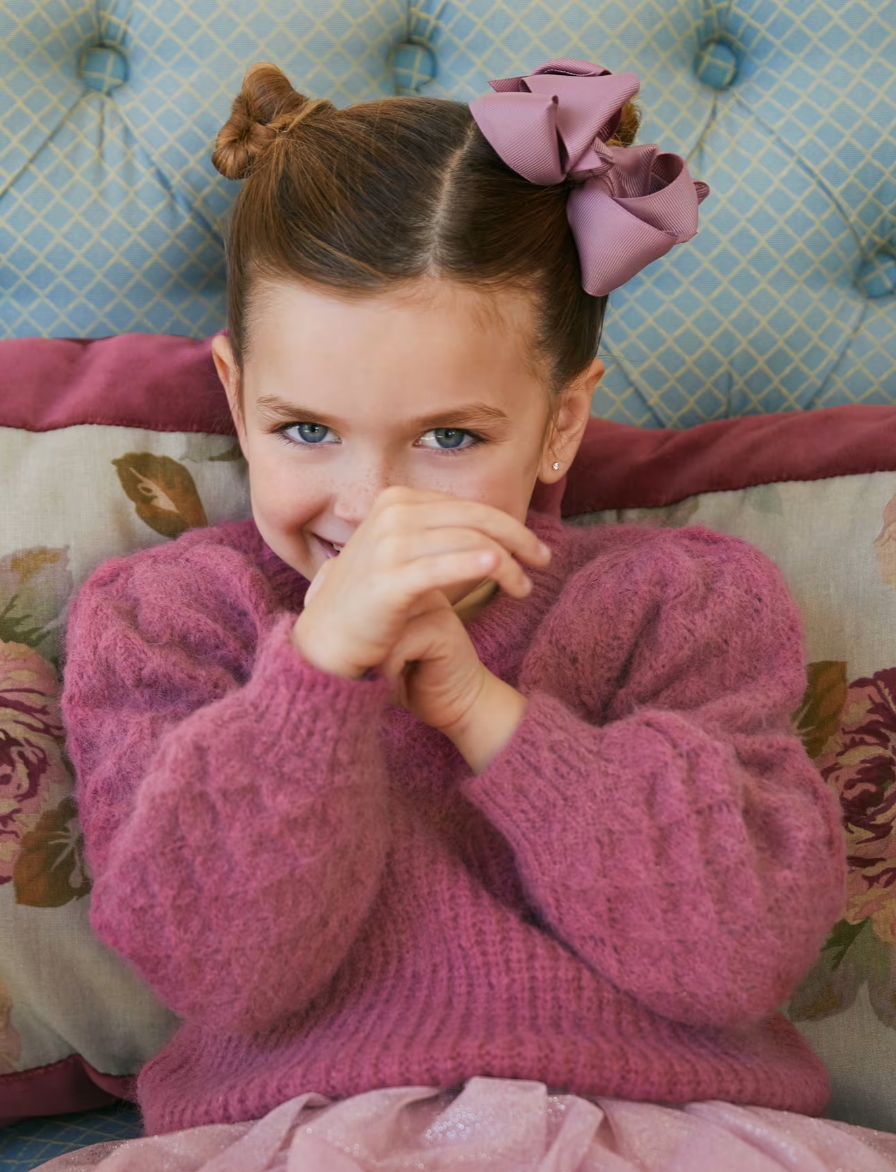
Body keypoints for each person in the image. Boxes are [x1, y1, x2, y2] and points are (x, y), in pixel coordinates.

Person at [45, 57, 896, 1172]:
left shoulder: (680, 605)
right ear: (238, 398)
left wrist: (490, 715)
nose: (373, 504)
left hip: (657, 1128)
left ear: (556, 423)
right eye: (306, 428)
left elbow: (735, 955)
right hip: (301, 1133)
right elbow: (215, 966)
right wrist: (314, 674)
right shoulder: (171, 617)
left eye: (449, 436)